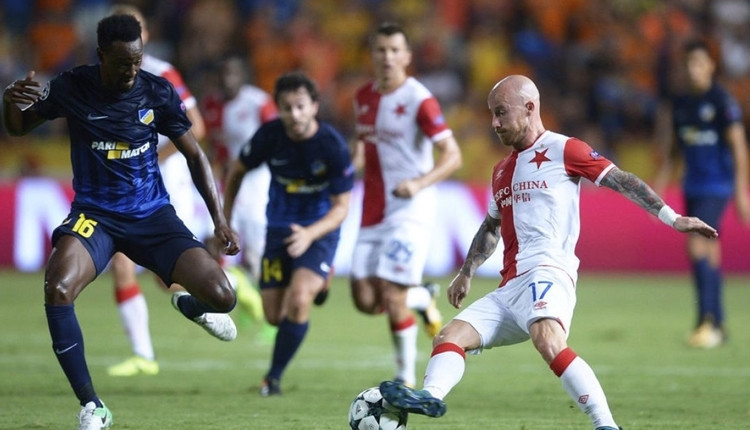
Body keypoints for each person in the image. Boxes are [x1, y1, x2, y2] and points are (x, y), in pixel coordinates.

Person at [378, 74, 718, 429]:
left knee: (547, 338)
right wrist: (466, 272)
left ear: (529, 108)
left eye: (501, 112)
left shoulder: (564, 149)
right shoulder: (501, 170)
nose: (494, 123)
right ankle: (430, 396)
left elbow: (622, 180)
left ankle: (606, 425)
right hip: (509, 287)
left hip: (548, 271)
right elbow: (491, 226)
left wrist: (672, 218)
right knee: (450, 335)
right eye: (492, 114)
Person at [2, 14, 240, 430]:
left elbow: (195, 155)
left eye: (136, 61)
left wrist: (220, 219)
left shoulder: (157, 91)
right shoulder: (73, 86)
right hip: (96, 216)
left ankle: (192, 306)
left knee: (223, 297)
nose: (131, 70)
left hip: (151, 215)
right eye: (121, 63)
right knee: (58, 288)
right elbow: (19, 128)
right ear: (101, 56)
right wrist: (9, 103)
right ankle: (92, 406)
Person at [222, 71, 354, 396]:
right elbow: (237, 171)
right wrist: (225, 219)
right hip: (278, 230)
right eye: (286, 107)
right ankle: (319, 282)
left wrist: (309, 234)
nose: (294, 114)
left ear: (314, 107)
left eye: (300, 106)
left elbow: (341, 208)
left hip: (319, 232)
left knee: (299, 299)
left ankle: (273, 378)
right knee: (273, 315)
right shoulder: (270, 136)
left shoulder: (332, 146)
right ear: (278, 109)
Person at [350, 22, 462, 388]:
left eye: (395, 50)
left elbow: (453, 155)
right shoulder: (362, 96)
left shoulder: (419, 100)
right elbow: (362, 145)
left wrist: (418, 183)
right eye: (381, 50)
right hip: (372, 209)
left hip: (411, 209)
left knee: (392, 296)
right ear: (372, 54)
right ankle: (422, 296)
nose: (387, 57)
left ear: (407, 56)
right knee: (365, 300)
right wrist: (348, 166)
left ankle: (404, 380)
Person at [105, 3, 208, 378]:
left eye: (135, 28)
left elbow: (197, 126)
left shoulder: (162, 73)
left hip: (167, 181)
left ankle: (232, 287)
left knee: (170, 278)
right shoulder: (101, 78)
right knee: (121, 261)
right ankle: (143, 355)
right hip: (128, 186)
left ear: (146, 35)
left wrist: (151, 155)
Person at [653, 39, 750, 348]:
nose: (693, 69)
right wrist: (660, 184)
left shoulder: (721, 101)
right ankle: (716, 324)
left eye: (699, 63)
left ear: (710, 66)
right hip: (692, 186)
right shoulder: (681, 104)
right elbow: (674, 151)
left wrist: (741, 193)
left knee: (696, 247)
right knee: (710, 252)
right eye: (689, 64)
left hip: (717, 186)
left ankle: (706, 321)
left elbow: (738, 147)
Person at [202, 55, 278, 340]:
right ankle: (245, 299)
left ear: (243, 76)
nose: (227, 80)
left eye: (233, 73)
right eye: (223, 74)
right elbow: (213, 145)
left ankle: (271, 318)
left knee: (256, 253)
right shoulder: (212, 105)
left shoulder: (258, 102)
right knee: (221, 242)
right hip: (228, 182)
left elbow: (277, 138)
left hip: (257, 181)